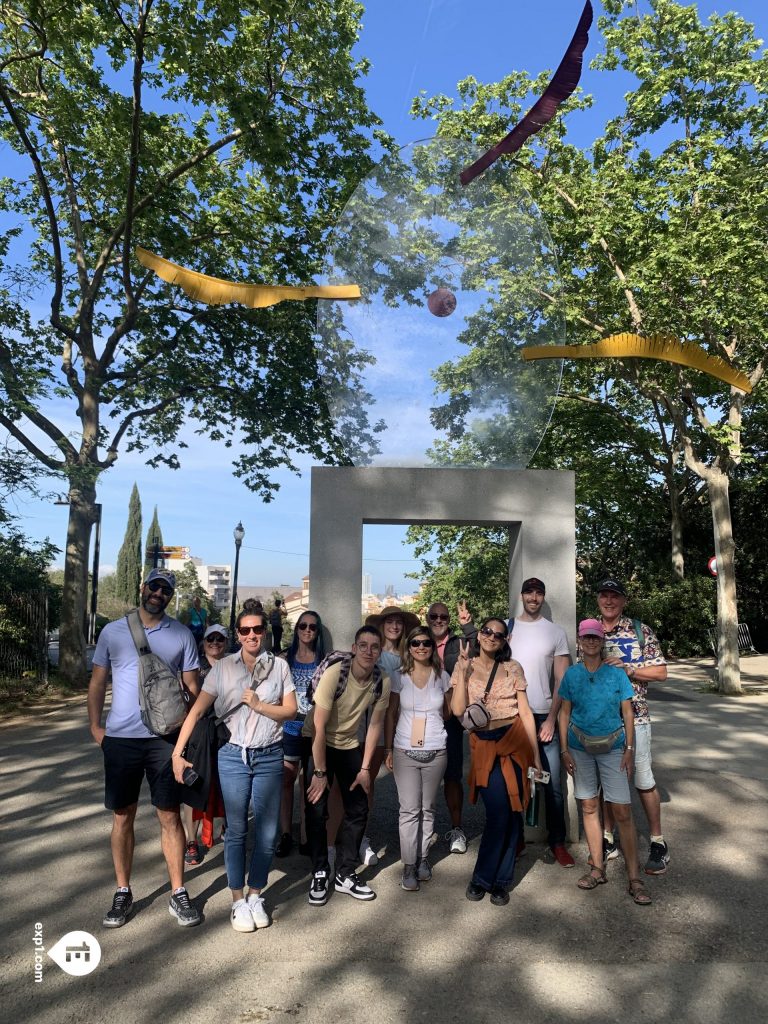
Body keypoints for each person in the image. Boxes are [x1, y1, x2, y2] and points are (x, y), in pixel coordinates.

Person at [87, 568, 202, 929]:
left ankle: (178, 892)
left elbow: (193, 690)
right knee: (123, 815)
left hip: (165, 740)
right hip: (121, 738)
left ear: (170, 595)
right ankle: (123, 890)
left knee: (169, 815)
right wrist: (96, 727)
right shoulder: (113, 631)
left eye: (165, 589)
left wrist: (190, 738)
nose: (158, 593)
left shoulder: (181, 635)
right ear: (143, 588)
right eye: (154, 586)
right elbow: (97, 681)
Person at [172, 609, 297, 932]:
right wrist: (177, 753)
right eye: (245, 630)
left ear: (265, 632)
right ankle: (238, 900)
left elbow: (291, 711)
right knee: (237, 831)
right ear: (237, 634)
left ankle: (256, 893)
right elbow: (197, 711)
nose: (252, 635)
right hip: (232, 756)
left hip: (269, 754)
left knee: (267, 833)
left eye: (257, 629)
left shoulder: (279, 666)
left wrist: (259, 705)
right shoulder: (224, 669)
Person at [450, 617, 542, 905]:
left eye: (498, 635)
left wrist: (536, 756)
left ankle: (499, 880)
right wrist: (464, 673)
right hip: (484, 744)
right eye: (487, 631)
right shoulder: (464, 665)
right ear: (479, 635)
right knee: (499, 811)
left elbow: (525, 713)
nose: (491, 637)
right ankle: (484, 876)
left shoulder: (512, 668)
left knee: (513, 812)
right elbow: (457, 711)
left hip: (515, 741)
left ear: (505, 641)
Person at [559, 619, 651, 905]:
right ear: (579, 641)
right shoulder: (572, 675)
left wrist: (629, 748)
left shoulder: (616, 674)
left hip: (613, 747)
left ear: (602, 641)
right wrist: (563, 750)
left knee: (622, 811)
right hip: (580, 747)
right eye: (586, 637)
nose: (590, 642)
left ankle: (634, 877)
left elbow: (628, 713)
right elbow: (564, 713)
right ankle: (597, 867)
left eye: (595, 638)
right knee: (588, 805)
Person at [302, 625, 390, 906]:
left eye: (374, 647)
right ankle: (319, 870)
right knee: (317, 807)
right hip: (318, 740)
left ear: (380, 652)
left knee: (359, 806)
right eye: (363, 645)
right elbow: (318, 727)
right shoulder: (335, 674)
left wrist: (365, 769)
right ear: (354, 648)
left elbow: (375, 725)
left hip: (349, 744)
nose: (368, 651)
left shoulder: (381, 680)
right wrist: (319, 772)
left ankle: (345, 872)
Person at [595, 578, 670, 874]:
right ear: (598, 600)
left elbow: (662, 672)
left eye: (615, 596)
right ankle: (607, 837)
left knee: (642, 777)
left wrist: (630, 669)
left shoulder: (640, 630)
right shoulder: (589, 631)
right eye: (604, 596)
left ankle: (657, 841)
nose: (609, 601)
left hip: (636, 717)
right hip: (600, 719)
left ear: (624, 601)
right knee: (606, 781)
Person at [507, 577, 573, 867]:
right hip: (511, 716)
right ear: (521, 596)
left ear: (543, 597)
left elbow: (562, 680)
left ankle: (557, 841)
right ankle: (515, 838)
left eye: (538, 593)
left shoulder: (555, 633)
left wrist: (550, 719)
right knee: (514, 782)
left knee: (553, 784)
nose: (533, 597)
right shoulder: (507, 629)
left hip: (543, 714)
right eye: (529, 592)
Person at [384, 626, 451, 891]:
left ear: (433, 648)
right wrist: (388, 749)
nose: (421, 647)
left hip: (436, 749)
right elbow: (390, 713)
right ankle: (409, 863)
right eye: (415, 643)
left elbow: (448, 712)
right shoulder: (398, 677)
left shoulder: (442, 676)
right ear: (408, 647)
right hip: (404, 750)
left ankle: (424, 858)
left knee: (428, 807)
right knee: (409, 809)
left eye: (426, 643)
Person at [359, 605, 420, 866]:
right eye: (389, 622)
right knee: (367, 780)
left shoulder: (411, 655)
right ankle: (361, 836)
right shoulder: (375, 653)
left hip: (405, 725)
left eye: (398, 622)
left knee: (411, 787)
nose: (394, 626)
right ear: (381, 626)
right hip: (372, 723)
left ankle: (416, 839)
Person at [275, 610, 327, 858]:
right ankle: (286, 833)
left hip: (314, 727)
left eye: (312, 627)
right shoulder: (284, 659)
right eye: (303, 625)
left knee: (309, 783)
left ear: (317, 632)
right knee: (286, 780)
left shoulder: (324, 660)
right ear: (296, 629)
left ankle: (307, 834)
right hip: (290, 727)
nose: (307, 630)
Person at [426, 600, 476, 854]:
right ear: (427, 618)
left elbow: (479, 648)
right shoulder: (419, 641)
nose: (438, 620)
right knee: (423, 777)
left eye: (443, 617)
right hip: (422, 719)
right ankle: (423, 830)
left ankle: (457, 829)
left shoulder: (459, 643)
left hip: (451, 720)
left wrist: (468, 626)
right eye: (433, 616)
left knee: (453, 776)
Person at [182, 624, 228, 865]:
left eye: (220, 639)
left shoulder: (234, 666)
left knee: (226, 785)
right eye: (211, 638)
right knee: (195, 786)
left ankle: (226, 827)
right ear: (203, 642)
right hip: (198, 733)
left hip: (225, 734)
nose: (215, 643)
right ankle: (191, 840)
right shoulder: (194, 668)